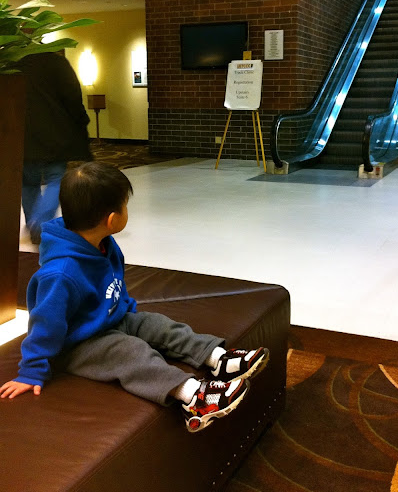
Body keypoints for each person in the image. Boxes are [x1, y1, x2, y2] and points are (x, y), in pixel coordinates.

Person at [0, 161, 269, 433]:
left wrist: (128, 315)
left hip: (112, 320)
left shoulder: (102, 243)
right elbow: (45, 325)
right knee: (130, 352)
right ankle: (194, 398)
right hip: (77, 344)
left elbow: (113, 283)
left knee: (159, 325)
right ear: (111, 219)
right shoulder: (61, 274)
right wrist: (31, 371)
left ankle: (217, 359)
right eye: (125, 205)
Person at [16, 51, 91, 245]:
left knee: (28, 182)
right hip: (55, 133)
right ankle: (41, 222)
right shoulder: (58, 63)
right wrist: (81, 120)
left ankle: (34, 224)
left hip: (24, 132)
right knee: (56, 178)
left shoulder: (18, 64)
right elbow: (73, 96)